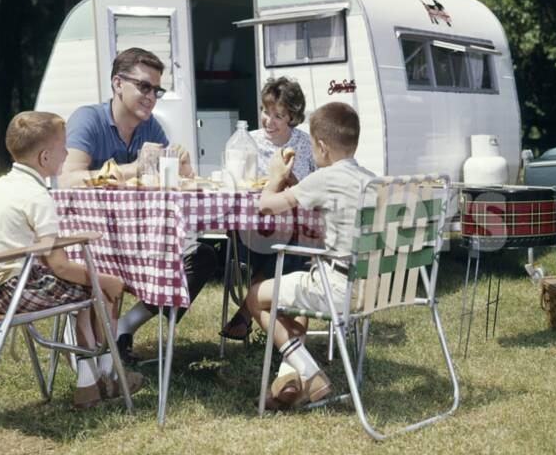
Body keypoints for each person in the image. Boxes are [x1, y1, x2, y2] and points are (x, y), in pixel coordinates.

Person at [0, 111, 144, 409]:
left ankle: (91, 382)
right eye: (63, 147)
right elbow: (60, 266)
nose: (68, 152)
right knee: (101, 289)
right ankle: (106, 376)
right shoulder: (37, 196)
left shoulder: (0, 186)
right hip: (17, 291)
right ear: (44, 157)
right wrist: (109, 280)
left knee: (86, 291)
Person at [60, 47, 217, 363]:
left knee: (203, 258)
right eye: (144, 86)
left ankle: (124, 329)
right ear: (117, 83)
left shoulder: (151, 127)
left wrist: (184, 170)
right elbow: (68, 180)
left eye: (156, 90)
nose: (151, 96)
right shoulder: (88, 119)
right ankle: (89, 342)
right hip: (91, 244)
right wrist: (130, 169)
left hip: (137, 239)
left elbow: (164, 184)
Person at [244, 102, 375, 410]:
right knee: (286, 293)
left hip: (336, 288)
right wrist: (298, 186)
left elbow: (265, 205)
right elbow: (320, 199)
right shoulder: (371, 179)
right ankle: (293, 379)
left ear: (321, 146)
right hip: (373, 288)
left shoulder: (325, 177)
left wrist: (276, 175)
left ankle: (308, 371)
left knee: (254, 297)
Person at [220, 76, 316, 341]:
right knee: (284, 248)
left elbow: (316, 193)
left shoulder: (306, 145)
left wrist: (289, 181)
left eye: (278, 115)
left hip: (294, 228)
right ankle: (288, 334)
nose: (268, 120)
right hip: (252, 228)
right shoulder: (247, 141)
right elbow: (233, 183)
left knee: (290, 244)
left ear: (292, 118)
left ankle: (247, 311)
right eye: (265, 111)